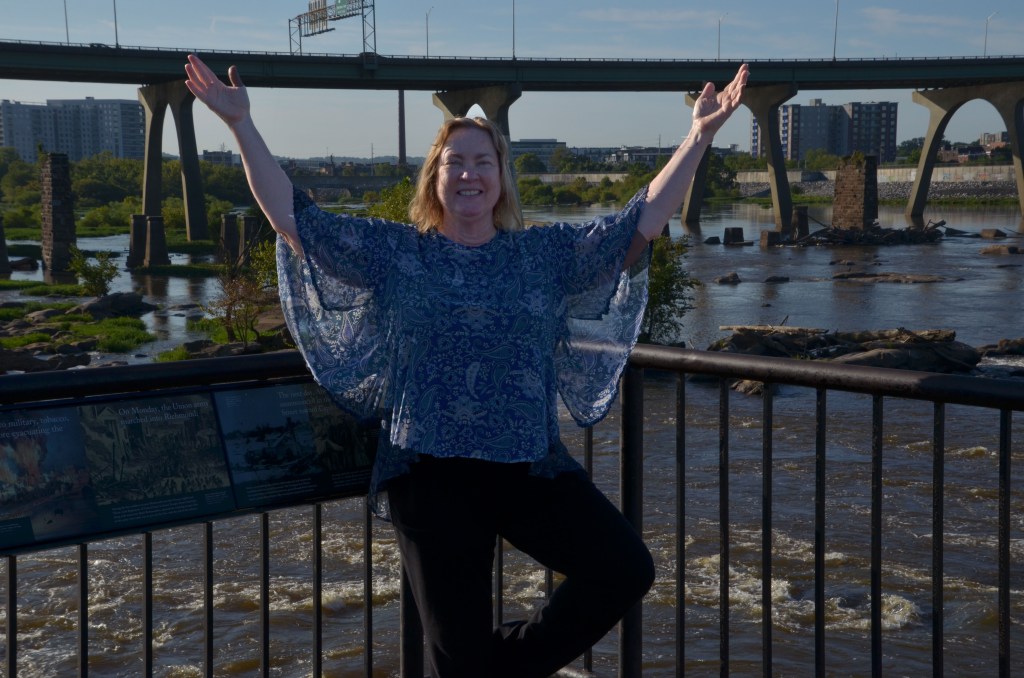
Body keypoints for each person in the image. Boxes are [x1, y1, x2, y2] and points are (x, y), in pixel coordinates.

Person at [185, 53, 748, 677]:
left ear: (502, 179)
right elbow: (293, 218)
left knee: (623, 568)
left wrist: (699, 135)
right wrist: (241, 125)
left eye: (484, 162)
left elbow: (640, 219)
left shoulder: (542, 255)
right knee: (459, 660)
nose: (469, 174)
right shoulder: (397, 253)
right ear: (435, 178)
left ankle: (496, 670)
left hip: (527, 465)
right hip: (431, 475)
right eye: (456, 162)